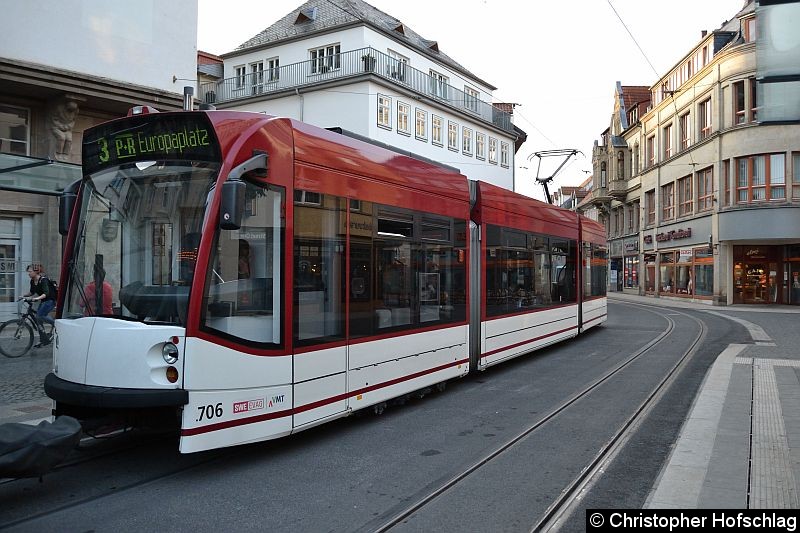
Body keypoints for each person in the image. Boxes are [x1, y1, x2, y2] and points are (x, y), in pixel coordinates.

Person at [23, 264, 55, 347]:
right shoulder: (32, 281)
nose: (28, 273)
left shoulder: (43, 280)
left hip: (50, 300)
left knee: (39, 316)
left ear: (36, 272)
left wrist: (36, 298)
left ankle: (56, 324)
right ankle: (44, 340)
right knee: (39, 321)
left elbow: (46, 293)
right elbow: (32, 292)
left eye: (30, 271)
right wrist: (23, 296)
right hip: (43, 301)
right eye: (28, 272)